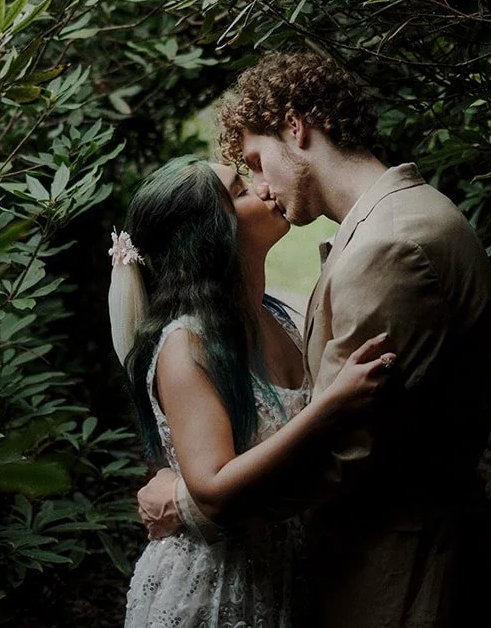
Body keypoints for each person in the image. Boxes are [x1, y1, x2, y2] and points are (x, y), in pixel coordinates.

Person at [137, 53, 491, 628]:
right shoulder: (411, 216)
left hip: (398, 569)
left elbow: (346, 453)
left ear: (295, 126)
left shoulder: (388, 247)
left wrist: (188, 501)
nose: (261, 186)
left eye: (257, 160)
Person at [112, 155, 399, 628]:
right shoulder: (187, 346)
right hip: (219, 592)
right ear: (209, 237)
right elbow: (217, 490)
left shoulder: (280, 318)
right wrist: (331, 409)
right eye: (242, 190)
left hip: (293, 575)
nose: (265, 189)